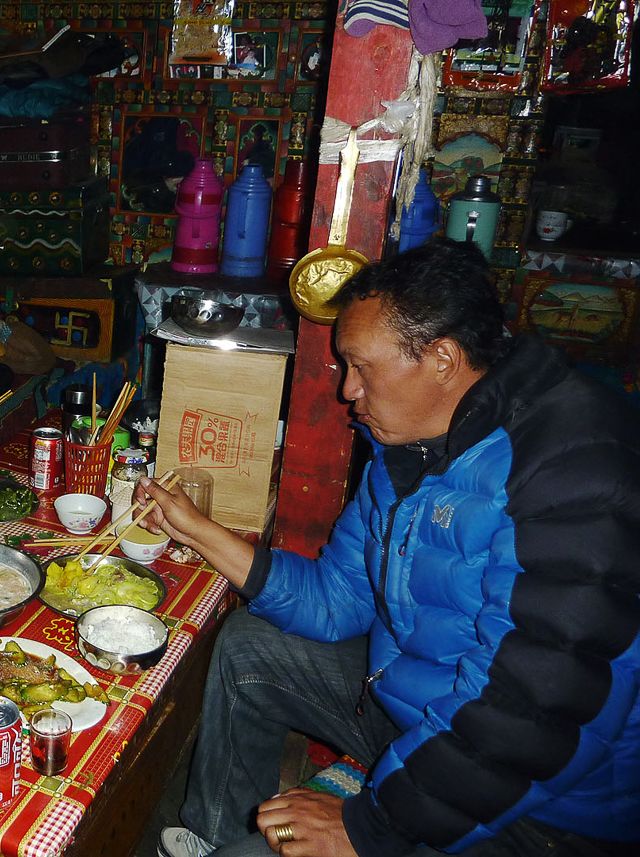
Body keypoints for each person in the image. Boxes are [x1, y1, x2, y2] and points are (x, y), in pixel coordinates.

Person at [138, 238, 640, 857]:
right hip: (416, 713)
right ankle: (210, 836)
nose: (347, 390)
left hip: (537, 804)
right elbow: (338, 602)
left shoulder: (572, 471)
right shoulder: (414, 441)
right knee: (249, 647)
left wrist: (366, 827)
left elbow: (538, 717)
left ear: (442, 359)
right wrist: (201, 532)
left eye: (359, 366)